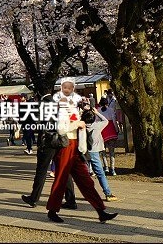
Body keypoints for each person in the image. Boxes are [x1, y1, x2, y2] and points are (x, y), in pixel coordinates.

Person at [46, 93, 117, 224]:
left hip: (76, 148)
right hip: (65, 147)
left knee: (86, 181)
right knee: (61, 179)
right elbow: (61, 129)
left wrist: (81, 126)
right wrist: (78, 124)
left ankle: (101, 211)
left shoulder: (73, 112)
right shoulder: (61, 112)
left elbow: (79, 126)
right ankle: (52, 210)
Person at [21, 94, 77, 210]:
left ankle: (34, 198)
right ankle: (71, 199)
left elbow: (35, 124)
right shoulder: (59, 106)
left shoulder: (42, 106)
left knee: (41, 171)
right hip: (60, 141)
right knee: (63, 170)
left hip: (47, 142)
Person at [81, 107, 118, 202]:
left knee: (84, 174)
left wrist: (82, 112)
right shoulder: (97, 125)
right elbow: (106, 120)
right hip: (94, 151)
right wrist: (97, 112)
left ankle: (88, 193)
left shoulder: (81, 126)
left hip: (83, 152)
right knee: (100, 173)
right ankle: (108, 193)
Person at [98, 97, 119, 175]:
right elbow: (114, 121)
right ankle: (112, 169)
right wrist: (116, 130)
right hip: (111, 131)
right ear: (107, 103)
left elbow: (97, 121)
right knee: (112, 152)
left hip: (102, 131)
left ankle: (106, 167)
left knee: (103, 151)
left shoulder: (98, 111)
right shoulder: (111, 110)